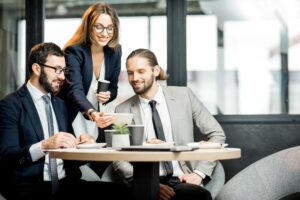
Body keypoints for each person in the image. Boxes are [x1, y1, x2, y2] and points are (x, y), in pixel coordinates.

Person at [0, 42, 131, 200]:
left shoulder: (61, 105)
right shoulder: (10, 105)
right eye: (56, 70)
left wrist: (83, 147)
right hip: (31, 187)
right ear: (36, 68)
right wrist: (44, 145)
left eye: (63, 70)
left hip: (68, 184)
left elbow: (69, 159)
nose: (62, 77)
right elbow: (6, 157)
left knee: (128, 192)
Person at [99, 48, 226, 200]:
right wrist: (148, 185)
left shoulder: (184, 96)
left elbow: (217, 135)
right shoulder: (122, 109)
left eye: (141, 71)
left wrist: (198, 174)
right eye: (131, 73)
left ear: (156, 70)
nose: (134, 78)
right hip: (144, 180)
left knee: (199, 196)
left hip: (181, 178)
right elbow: (119, 158)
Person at [61, 2, 121, 142]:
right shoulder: (74, 51)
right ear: (89, 27)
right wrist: (92, 113)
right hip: (75, 114)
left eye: (110, 28)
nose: (105, 33)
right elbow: (75, 90)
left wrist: (108, 95)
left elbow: (113, 88)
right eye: (98, 27)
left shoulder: (115, 52)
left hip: (97, 118)